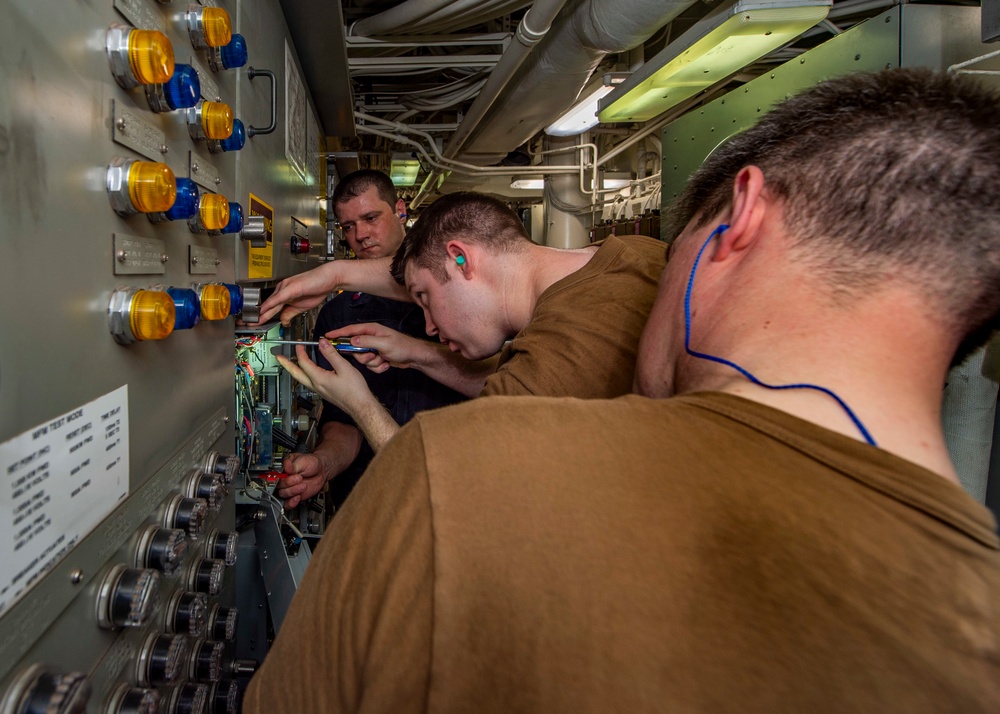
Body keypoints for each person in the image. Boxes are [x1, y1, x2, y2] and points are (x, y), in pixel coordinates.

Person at [246, 68, 1000, 712]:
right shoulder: (975, 629)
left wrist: (375, 402)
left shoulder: (459, 468)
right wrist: (365, 292)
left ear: (740, 219)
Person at [273, 192, 666, 452]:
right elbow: (519, 376)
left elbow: (442, 484)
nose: (428, 326)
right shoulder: (633, 255)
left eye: (423, 297)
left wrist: (358, 402)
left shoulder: (563, 353)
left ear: (461, 258)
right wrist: (418, 354)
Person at [276, 170, 464, 511]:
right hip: (367, 497)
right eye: (348, 226)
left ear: (401, 211)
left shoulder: (456, 296)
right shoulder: (339, 315)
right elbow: (344, 420)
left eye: (371, 217)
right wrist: (325, 463)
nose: (360, 234)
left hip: (452, 489)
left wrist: (334, 273)